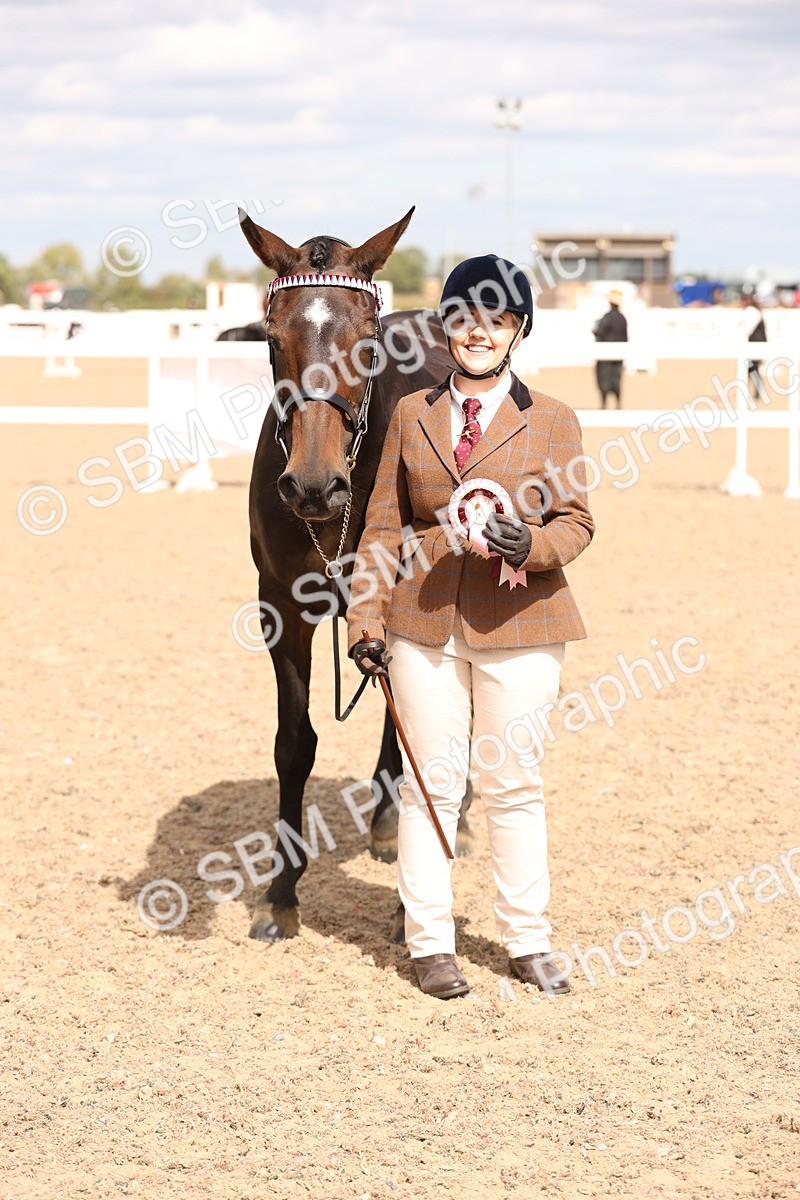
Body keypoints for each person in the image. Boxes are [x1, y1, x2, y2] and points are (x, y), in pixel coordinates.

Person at [346, 255, 594, 1000]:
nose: (479, 333)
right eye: (465, 319)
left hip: (523, 620)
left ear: (518, 331)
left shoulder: (553, 418)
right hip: (421, 623)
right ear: (446, 328)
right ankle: (430, 943)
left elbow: (576, 522)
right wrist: (364, 617)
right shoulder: (410, 415)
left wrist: (532, 545)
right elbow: (381, 528)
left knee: (513, 783)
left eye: (498, 320)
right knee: (430, 787)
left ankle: (527, 938)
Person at [593, 289, 628, 408]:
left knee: (604, 379)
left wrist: (594, 330)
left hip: (605, 355)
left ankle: (604, 404)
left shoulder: (607, 317)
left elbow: (600, 332)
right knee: (616, 378)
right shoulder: (622, 318)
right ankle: (618, 404)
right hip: (619, 355)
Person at [740, 291, 767, 402]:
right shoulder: (753, 311)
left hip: (755, 345)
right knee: (752, 369)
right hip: (755, 344)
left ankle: (757, 392)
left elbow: (747, 329)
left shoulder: (752, 311)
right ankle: (755, 392)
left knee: (752, 369)